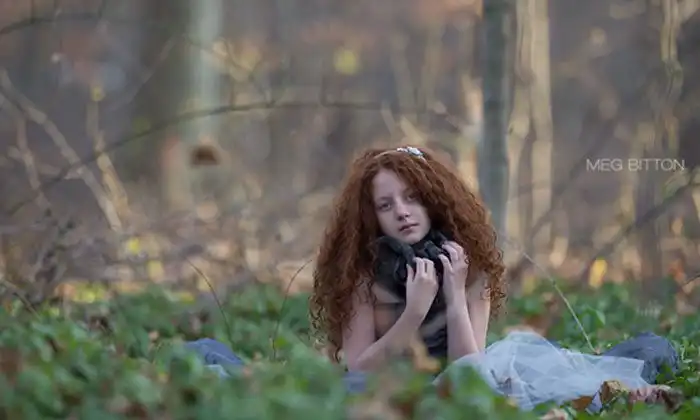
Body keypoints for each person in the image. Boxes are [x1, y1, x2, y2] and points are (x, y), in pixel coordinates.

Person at [186, 145, 679, 411]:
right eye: (386, 205)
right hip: (382, 388)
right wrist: (413, 314)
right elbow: (358, 368)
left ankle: (636, 386)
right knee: (226, 365)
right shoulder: (364, 276)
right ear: (372, 218)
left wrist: (454, 295)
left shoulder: (470, 264)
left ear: (434, 200)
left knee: (648, 351)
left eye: (412, 198)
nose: (402, 212)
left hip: (461, 386)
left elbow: (470, 370)